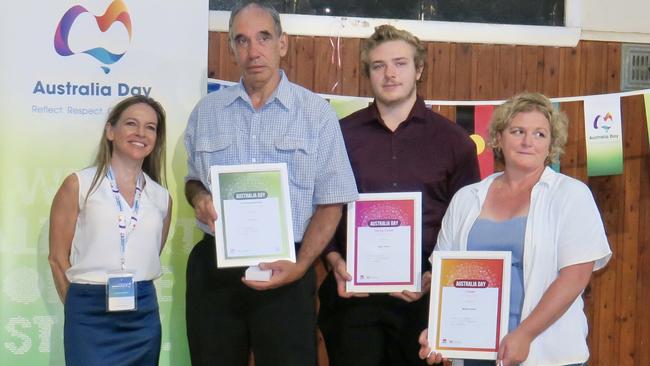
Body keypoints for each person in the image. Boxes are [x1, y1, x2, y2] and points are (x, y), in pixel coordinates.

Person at [183, 2, 358, 365]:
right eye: (242, 41)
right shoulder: (207, 112)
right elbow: (192, 180)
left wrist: (302, 264)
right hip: (215, 269)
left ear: (282, 43)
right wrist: (198, 197)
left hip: (288, 267)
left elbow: (332, 202)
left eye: (263, 37)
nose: (253, 50)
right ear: (231, 49)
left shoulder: (317, 114)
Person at [318, 24, 480, 366]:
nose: (390, 74)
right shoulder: (339, 135)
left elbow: (468, 225)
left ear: (419, 69)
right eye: (379, 66)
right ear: (368, 74)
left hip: (425, 297)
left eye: (400, 63)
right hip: (353, 294)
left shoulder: (454, 142)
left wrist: (436, 276)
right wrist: (333, 260)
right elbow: (322, 206)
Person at [418, 92, 612, 366]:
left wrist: (525, 334)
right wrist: (440, 333)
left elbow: (575, 278)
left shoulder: (571, 195)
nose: (527, 141)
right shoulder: (466, 198)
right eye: (517, 131)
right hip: (475, 352)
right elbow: (446, 274)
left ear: (551, 144)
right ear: (498, 137)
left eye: (540, 134)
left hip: (545, 354)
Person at [48, 95, 172, 366]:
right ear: (110, 131)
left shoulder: (161, 197)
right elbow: (57, 259)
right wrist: (78, 305)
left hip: (142, 313)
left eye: (150, 127)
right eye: (131, 123)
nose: (141, 133)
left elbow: (150, 252)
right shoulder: (78, 184)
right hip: (89, 312)